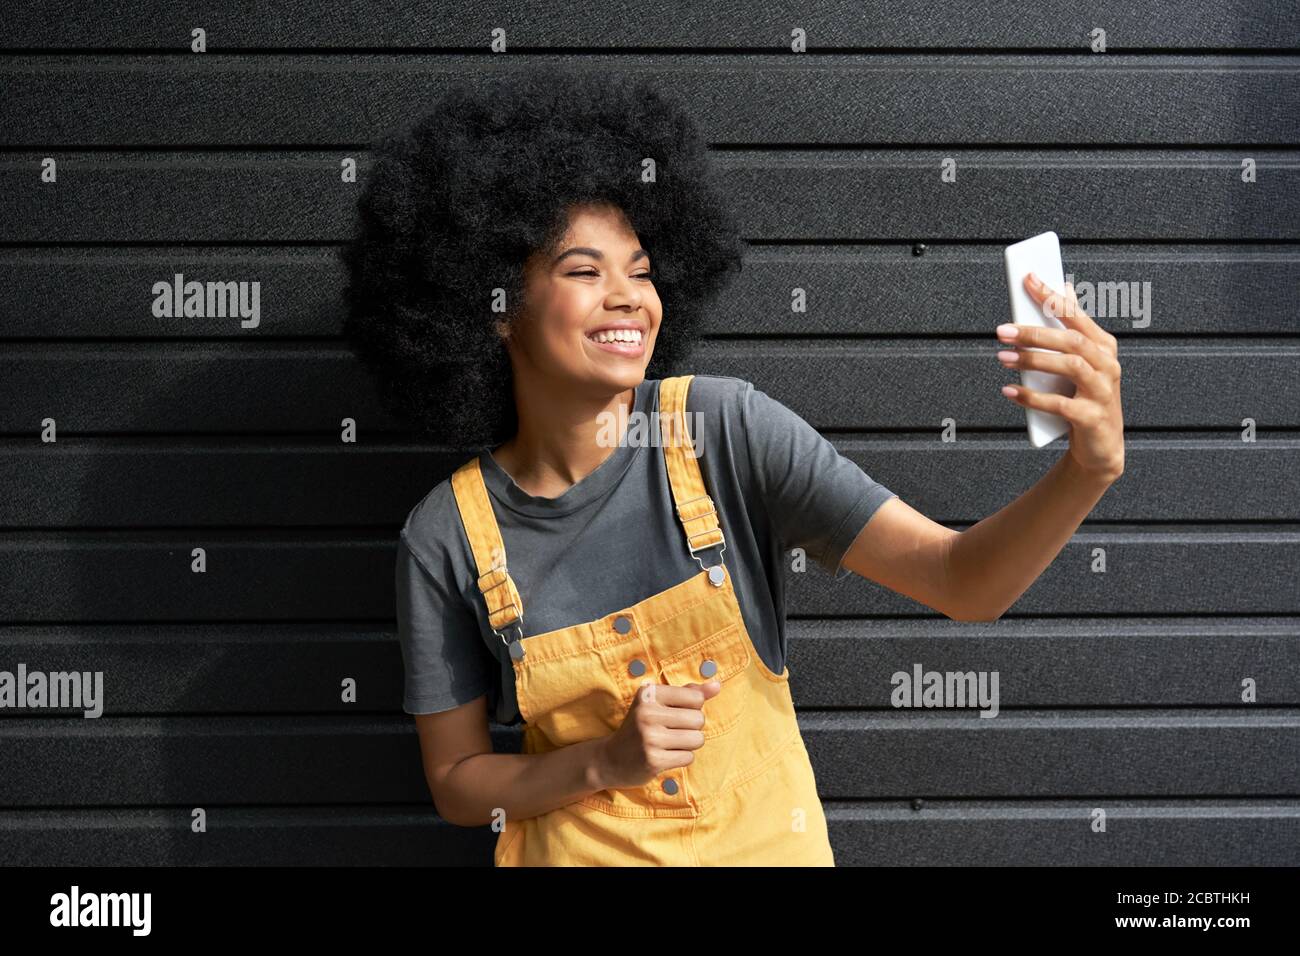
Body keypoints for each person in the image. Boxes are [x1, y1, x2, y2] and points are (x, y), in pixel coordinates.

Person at [340, 68, 1126, 866]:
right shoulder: (447, 535)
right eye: (584, 271)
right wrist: (603, 763)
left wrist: (1086, 471)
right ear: (497, 307)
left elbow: (965, 581)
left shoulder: (724, 430)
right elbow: (457, 782)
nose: (629, 298)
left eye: (641, 272)